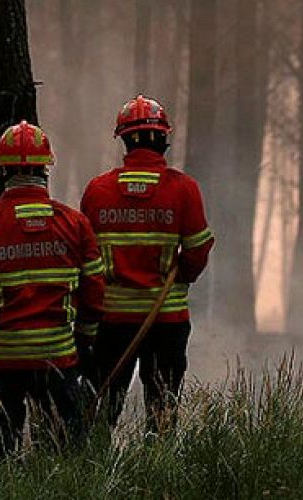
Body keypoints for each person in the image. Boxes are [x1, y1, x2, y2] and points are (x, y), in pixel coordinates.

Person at [0, 121, 105, 458]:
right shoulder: (75, 224)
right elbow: (94, 291)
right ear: (45, 169)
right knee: (66, 456)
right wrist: (85, 341)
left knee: (4, 452)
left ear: (3, 172)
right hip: (57, 360)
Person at [81, 94, 215, 430]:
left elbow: (85, 261)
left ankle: (93, 473)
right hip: (166, 319)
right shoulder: (184, 190)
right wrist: (182, 274)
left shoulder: (98, 190)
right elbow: (198, 250)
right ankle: (158, 476)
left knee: (102, 411)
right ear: (163, 139)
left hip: (112, 323)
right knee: (162, 413)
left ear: (124, 140)